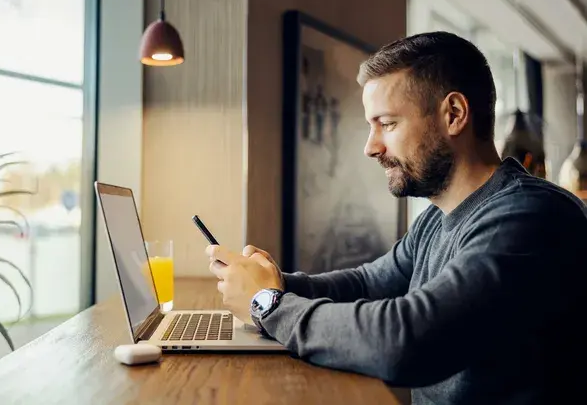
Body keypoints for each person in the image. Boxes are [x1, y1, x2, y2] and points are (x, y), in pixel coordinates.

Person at [205, 31, 587, 405]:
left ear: (454, 114)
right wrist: (274, 282)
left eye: (387, 124)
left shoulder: (531, 217)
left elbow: (409, 341)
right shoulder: (437, 218)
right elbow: (369, 284)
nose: (371, 147)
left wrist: (268, 304)